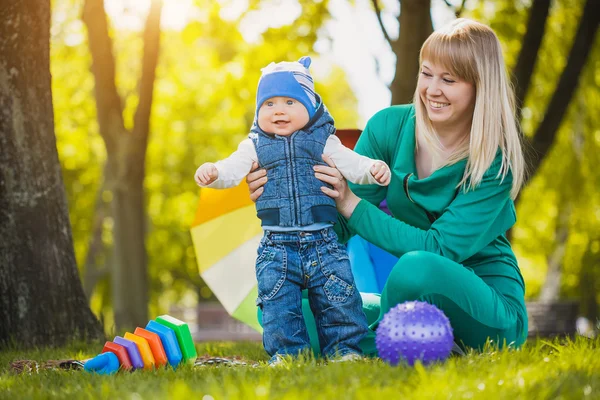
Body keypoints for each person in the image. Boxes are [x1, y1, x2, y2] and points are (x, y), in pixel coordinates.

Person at [247, 19, 529, 354]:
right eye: (427, 73)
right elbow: (334, 220)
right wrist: (287, 201)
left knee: (415, 267)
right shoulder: (388, 128)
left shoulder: (494, 163)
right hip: (409, 301)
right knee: (285, 304)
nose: (432, 89)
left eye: (448, 79)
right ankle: (409, 339)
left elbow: (436, 250)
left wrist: (353, 205)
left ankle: (388, 339)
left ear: (480, 87)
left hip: (485, 304)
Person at [194, 56, 391, 363]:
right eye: (269, 104)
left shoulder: (324, 141)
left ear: (310, 107)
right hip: (277, 246)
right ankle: (287, 355)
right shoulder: (254, 146)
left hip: (324, 242)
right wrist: (215, 173)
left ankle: (344, 350)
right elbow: (232, 169)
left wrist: (373, 169)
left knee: (338, 298)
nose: (279, 110)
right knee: (278, 303)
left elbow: (353, 164)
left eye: (289, 101)